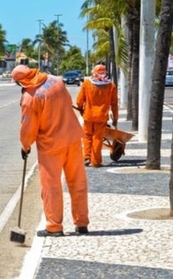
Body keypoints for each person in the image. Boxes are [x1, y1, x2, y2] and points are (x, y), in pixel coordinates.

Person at [11, 65, 89, 236]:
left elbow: (28, 128)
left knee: (51, 186)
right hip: (73, 138)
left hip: (51, 146)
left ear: (21, 81)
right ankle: (82, 222)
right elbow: (68, 102)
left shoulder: (30, 98)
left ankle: (54, 227)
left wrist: (25, 146)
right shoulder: (56, 80)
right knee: (78, 182)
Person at [76, 64, 118, 168]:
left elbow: (79, 100)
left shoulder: (87, 84)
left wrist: (81, 109)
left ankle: (86, 157)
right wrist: (115, 118)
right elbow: (114, 104)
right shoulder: (110, 86)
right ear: (105, 73)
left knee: (86, 136)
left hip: (88, 116)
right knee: (97, 138)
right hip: (102, 117)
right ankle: (95, 161)